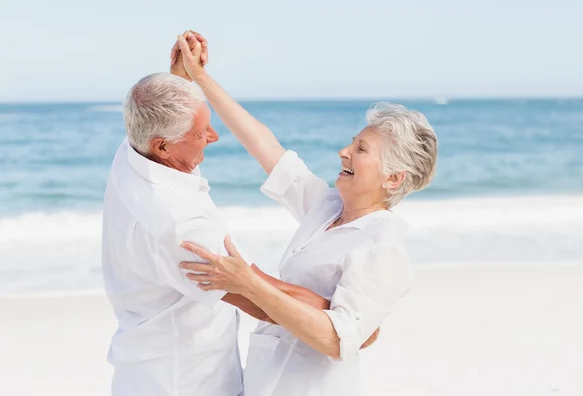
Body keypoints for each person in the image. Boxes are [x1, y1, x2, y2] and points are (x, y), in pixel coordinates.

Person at [173, 31, 438, 395]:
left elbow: (339, 340)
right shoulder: (326, 207)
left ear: (392, 178)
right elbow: (262, 144)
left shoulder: (383, 245)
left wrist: (251, 283)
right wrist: (199, 78)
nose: (344, 151)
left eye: (361, 149)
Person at [101, 70, 343, 396]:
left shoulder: (130, 154)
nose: (214, 136)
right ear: (162, 146)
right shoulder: (182, 227)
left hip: (140, 377)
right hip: (186, 385)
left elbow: (156, 110)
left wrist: (182, 78)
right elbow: (264, 301)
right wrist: (348, 320)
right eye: (201, 132)